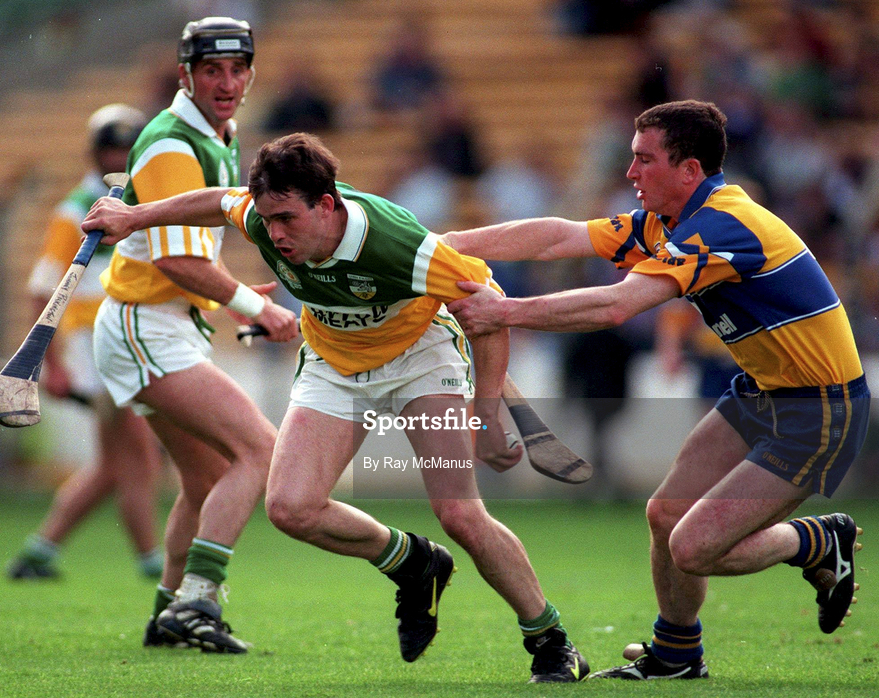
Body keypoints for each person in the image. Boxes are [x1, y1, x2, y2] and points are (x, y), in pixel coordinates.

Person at [82, 132, 591, 683]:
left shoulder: (400, 245)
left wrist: (487, 415)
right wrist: (136, 216)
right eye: (267, 220)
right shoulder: (260, 215)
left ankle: (551, 640)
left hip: (421, 358)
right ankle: (415, 562)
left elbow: (489, 313)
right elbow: (215, 199)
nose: (274, 235)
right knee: (290, 508)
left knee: (461, 515)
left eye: (287, 220)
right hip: (332, 362)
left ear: (327, 205)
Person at [442, 100, 869, 680]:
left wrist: (505, 311)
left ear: (689, 170)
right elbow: (556, 238)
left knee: (692, 547)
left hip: (818, 408)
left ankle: (813, 541)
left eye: (644, 160)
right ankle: (676, 656)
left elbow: (618, 305)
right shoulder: (669, 223)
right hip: (761, 390)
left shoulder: (723, 225)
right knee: (666, 514)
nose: (630, 172)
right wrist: (442, 244)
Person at [92, 17, 299, 653]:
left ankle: (168, 618)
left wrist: (233, 300)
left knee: (207, 480)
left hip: (161, 322)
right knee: (261, 454)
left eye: (238, 70)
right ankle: (198, 605)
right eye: (212, 70)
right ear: (186, 73)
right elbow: (176, 262)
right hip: (144, 327)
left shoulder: (217, 132)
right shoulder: (174, 143)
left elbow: (186, 250)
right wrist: (253, 308)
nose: (227, 82)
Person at [7, 103, 165, 581]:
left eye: (126, 148)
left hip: (126, 340)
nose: (117, 156)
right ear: (94, 154)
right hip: (96, 347)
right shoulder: (76, 210)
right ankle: (152, 563)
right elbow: (43, 290)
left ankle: (40, 551)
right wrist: (50, 364)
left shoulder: (143, 202)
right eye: (109, 148)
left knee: (114, 463)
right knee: (137, 455)